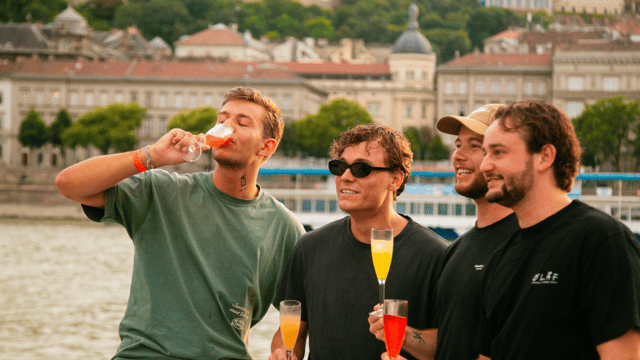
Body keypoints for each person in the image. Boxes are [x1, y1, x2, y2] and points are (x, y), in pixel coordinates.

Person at [55, 87, 305, 360]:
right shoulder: (161, 193)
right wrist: (150, 157)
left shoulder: (284, 227)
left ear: (266, 146)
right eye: (222, 119)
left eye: (242, 122)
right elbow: (69, 184)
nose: (226, 126)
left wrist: (283, 350)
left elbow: (297, 315)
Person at [476, 100, 640, 359]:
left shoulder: (601, 240)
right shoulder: (499, 260)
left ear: (545, 157)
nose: (484, 165)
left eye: (498, 152)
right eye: (485, 153)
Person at [269, 124, 449, 360]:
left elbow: (449, 344)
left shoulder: (436, 255)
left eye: (361, 169)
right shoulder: (309, 248)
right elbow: (292, 330)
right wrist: (283, 352)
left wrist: (400, 334)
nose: (345, 177)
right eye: (340, 167)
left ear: (395, 179)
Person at [369, 104, 519, 360]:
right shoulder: (457, 251)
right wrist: (400, 332)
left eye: (474, 146)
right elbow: (447, 342)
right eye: (458, 145)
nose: (458, 155)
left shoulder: (523, 247)